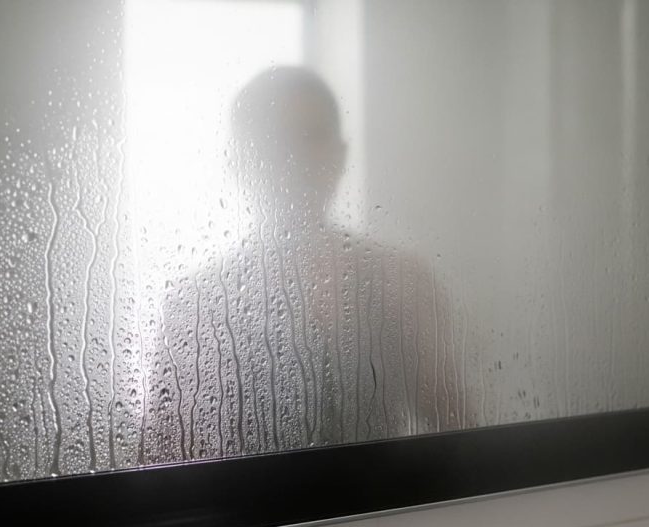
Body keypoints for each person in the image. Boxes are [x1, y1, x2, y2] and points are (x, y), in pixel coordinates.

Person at [156, 67, 473, 462]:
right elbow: (165, 463)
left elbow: (460, 437)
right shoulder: (198, 305)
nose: (294, 158)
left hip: (384, 518)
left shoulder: (402, 283)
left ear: (339, 156)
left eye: (311, 137)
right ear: (238, 164)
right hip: (254, 523)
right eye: (273, 139)